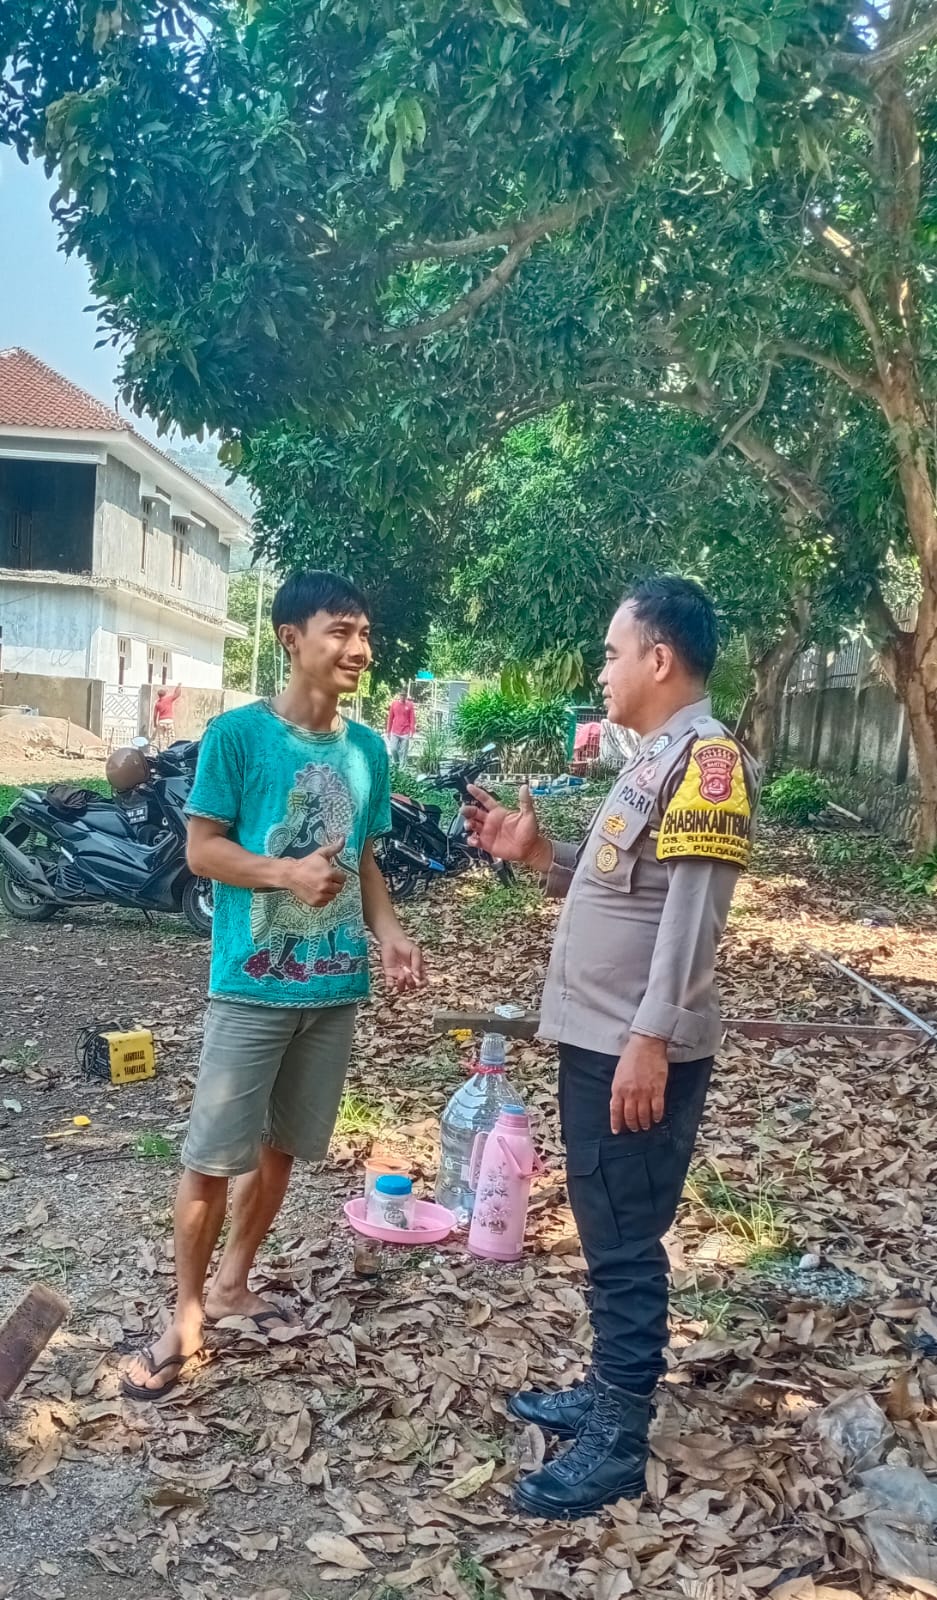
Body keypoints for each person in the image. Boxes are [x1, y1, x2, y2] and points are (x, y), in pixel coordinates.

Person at [465, 576, 760, 1520]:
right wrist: (536, 857)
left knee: (624, 1239)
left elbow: (691, 916)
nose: (601, 670)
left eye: (610, 652)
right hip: (601, 1037)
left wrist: (649, 1038)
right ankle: (606, 1389)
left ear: (657, 659)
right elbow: (625, 890)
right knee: (606, 1226)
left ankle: (619, 1439)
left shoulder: (707, 761)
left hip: (632, 1044)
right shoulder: (653, 760)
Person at [121, 571, 425, 1401]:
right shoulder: (236, 737)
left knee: (282, 1145)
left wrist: (389, 933)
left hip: (332, 988)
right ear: (291, 638)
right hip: (250, 986)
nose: (358, 649)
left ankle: (232, 1283)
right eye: (340, 631)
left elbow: (364, 860)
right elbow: (202, 851)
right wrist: (284, 873)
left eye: (364, 633)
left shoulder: (367, 751)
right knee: (211, 1157)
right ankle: (184, 1316)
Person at [385, 687, 416, 767]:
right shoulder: (394, 704)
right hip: (395, 731)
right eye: (401, 695)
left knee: (403, 752)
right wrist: (388, 731)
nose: (403, 696)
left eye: (404, 695)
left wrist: (412, 731)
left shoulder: (410, 705)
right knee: (393, 749)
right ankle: (396, 763)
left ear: (406, 696)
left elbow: (412, 719)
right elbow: (390, 718)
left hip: (405, 731)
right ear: (399, 695)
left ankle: (402, 769)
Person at [153, 681, 182, 747]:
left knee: (161, 737)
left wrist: (155, 724)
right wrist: (178, 686)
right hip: (169, 721)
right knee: (171, 737)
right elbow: (177, 694)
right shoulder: (169, 699)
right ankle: (170, 749)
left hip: (161, 722)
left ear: (158, 695)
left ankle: (161, 749)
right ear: (165, 694)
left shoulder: (157, 703)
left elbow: (155, 715)